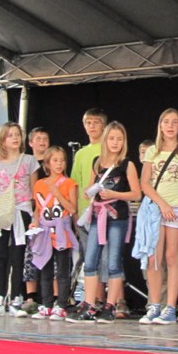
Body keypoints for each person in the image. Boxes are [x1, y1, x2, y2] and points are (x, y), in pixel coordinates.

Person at [67, 122, 140, 323]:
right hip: (97, 216)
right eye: (111, 138)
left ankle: (110, 305)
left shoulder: (127, 165)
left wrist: (115, 194)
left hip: (117, 217)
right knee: (90, 260)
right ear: (105, 140)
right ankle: (89, 304)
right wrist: (89, 192)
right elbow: (91, 187)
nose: (115, 143)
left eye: (119, 139)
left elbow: (136, 193)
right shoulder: (97, 162)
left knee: (114, 262)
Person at [137, 109, 178, 325]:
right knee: (154, 258)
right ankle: (154, 304)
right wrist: (162, 204)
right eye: (166, 122)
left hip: (177, 206)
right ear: (160, 126)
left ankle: (170, 307)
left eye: (174, 122)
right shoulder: (152, 151)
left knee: (172, 256)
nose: (170, 126)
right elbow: (144, 183)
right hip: (156, 208)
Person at [0, 122, 40, 317]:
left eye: (17, 134)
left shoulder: (29, 160)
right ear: (3, 140)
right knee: (0, 255)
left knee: (18, 255)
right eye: (10, 135)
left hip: (21, 210)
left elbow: (34, 189)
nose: (15, 138)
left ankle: (16, 298)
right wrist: (2, 203)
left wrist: (33, 213)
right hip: (2, 211)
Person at [29, 146, 78, 321]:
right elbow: (38, 208)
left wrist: (58, 194)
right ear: (47, 163)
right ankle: (47, 304)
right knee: (45, 269)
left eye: (62, 160)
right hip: (44, 231)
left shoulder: (69, 183)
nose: (59, 164)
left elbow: (72, 208)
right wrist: (35, 222)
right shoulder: (39, 184)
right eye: (55, 160)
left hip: (61, 230)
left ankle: (62, 305)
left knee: (63, 270)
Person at [69, 108, 108, 309]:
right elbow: (75, 183)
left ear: (104, 125)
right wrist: (75, 212)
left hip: (103, 211)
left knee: (105, 256)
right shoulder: (81, 153)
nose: (92, 126)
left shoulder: (107, 148)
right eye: (88, 122)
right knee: (89, 256)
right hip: (84, 213)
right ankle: (91, 298)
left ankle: (103, 298)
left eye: (96, 122)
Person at [17, 126, 51, 317]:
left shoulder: (53, 162)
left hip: (53, 216)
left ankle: (51, 297)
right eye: (38, 138)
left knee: (52, 257)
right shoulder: (26, 163)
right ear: (30, 143)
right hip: (32, 213)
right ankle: (30, 296)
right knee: (30, 255)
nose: (42, 142)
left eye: (45, 138)